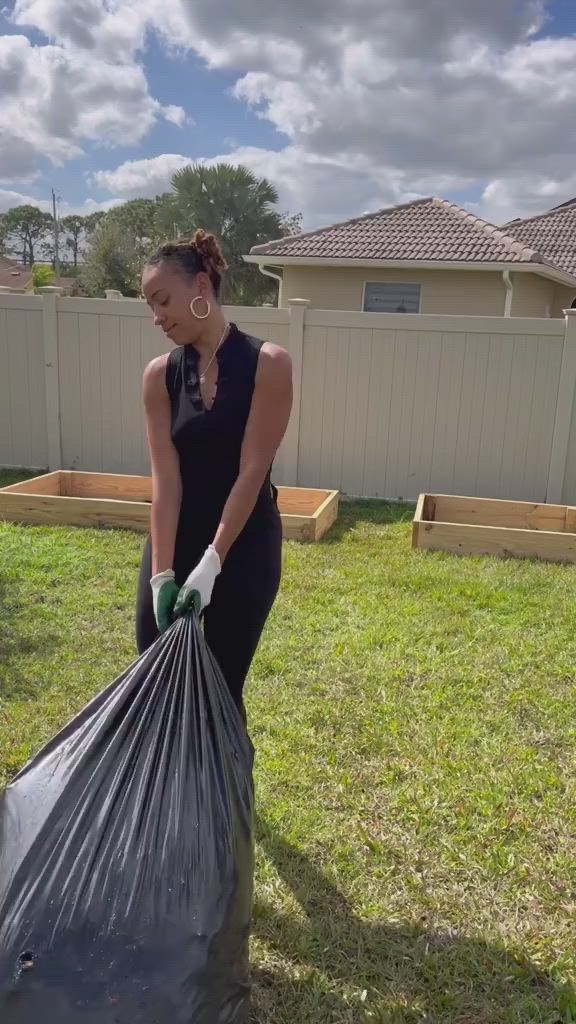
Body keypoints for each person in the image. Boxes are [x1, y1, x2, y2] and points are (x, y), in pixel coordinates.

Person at [137, 229, 292, 721]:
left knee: (220, 693)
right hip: (175, 538)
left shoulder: (268, 364)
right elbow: (165, 479)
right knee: (155, 681)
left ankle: (223, 798)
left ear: (201, 286)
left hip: (244, 544)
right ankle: (163, 797)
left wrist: (213, 562)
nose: (157, 317)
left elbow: (252, 470)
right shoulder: (159, 375)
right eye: (150, 306)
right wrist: (163, 573)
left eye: (163, 301)